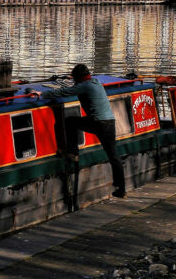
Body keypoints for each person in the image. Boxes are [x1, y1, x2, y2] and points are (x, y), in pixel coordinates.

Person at [42, 64, 127, 198]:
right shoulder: (95, 82)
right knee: (113, 156)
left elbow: (63, 92)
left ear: (78, 78)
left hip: (98, 122)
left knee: (70, 122)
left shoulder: (84, 86)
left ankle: (73, 152)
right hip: (110, 122)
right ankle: (121, 189)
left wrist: (42, 94)